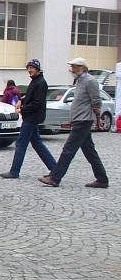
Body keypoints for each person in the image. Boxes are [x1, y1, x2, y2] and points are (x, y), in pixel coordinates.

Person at [40, 58, 108, 188]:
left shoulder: (90, 81)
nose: (72, 69)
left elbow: (96, 99)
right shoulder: (80, 80)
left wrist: (96, 112)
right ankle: (102, 179)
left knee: (68, 150)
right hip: (80, 119)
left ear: (81, 67)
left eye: (74, 67)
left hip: (83, 120)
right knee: (89, 152)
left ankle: (55, 178)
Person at [0, 60, 57, 179]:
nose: (29, 70)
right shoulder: (36, 81)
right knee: (37, 144)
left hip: (31, 118)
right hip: (31, 117)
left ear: (37, 69)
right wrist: (22, 100)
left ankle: (14, 172)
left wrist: (23, 109)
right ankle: (55, 169)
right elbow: (30, 96)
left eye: (32, 68)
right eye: (28, 68)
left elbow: (37, 103)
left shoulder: (40, 83)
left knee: (21, 143)